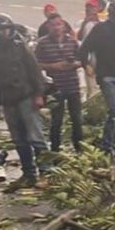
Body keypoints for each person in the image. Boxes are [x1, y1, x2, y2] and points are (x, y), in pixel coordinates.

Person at [0, 14, 49, 191]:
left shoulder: (20, 48)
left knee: (36, 137)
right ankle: (29, 174)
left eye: (7, 29)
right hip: (8, 101)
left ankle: (46, 173)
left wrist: (39, 94)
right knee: (19, 140)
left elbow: (34, 71)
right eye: (1, 30)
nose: (5, 33)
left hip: (26, 97)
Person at [78, 0, 115, 159]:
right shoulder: (100, 29)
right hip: (106, 76)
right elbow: (83, 49)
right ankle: (107, 145)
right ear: (112, 12)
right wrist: (87, 65)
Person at [35, 14, 83, 153]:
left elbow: (82, 60)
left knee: (77, 119)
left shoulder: (72, 42)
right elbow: (36, 64)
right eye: (53, 25)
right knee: (57, 120)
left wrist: (73, 64)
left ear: (63, 25)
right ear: (48, 27)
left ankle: (79, 148)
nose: (56, 28)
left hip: (73, 85)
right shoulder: (42, 43)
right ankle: (55, 149)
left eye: (59, 24)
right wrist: (53, 66)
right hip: (55, 87)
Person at [77, 0, 102, 100]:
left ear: (97, 9)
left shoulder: (98, 23)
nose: (89, 9)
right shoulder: (87, 24)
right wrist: (86, 64)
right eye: (88, 7)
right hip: (91, 61)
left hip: (100, 61)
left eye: (92, 7)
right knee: (93, 92)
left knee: (96, 90)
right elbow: (84, 45)